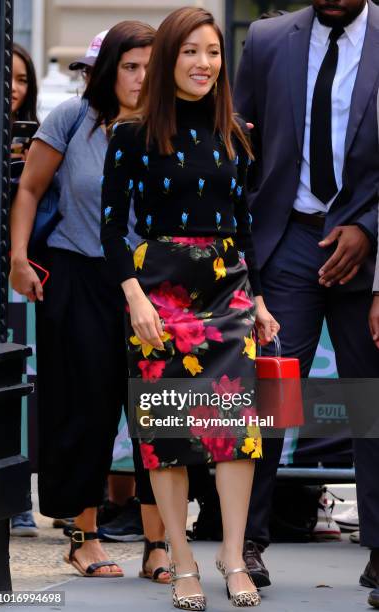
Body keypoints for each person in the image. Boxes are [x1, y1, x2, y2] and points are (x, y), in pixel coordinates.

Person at [101, 6, 279, 609]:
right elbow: (110, 230)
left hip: (227, 287)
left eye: (213, 52)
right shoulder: (131, 134)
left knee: (235, 430)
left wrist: (256, 298)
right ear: (170, 57)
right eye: (190, 52)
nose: (204, 63)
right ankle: (180, 558)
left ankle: (231, 554)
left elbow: (245, 224)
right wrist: (134, 299)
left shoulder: (236, 130)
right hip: (160, 292)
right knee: (167, 428)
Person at [9, 22, 172, 581]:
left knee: (160, 411)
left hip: (155, 283)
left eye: (151, 65)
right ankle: (83, 536)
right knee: (85, 409)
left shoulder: (173, 127)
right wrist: (18, 255)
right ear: (106, 71)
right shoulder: (72, 119)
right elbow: (29, 188)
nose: (140, 77)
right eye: (129, 65)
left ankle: (159, 543)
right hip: (79, 275)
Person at [234, 0, 379, 596]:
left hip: (367, 248)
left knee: (368, 402)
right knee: (269, 391)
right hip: (287, 238)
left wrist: (370, 229)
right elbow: (237, 151)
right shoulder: (267, 40)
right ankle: (244, 540)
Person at [9, 42, 40, 538]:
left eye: (21, 80)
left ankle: (15, 498)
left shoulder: (37, 137)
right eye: (5, 78)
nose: (12, 89)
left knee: (19, 382)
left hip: (22, 272)